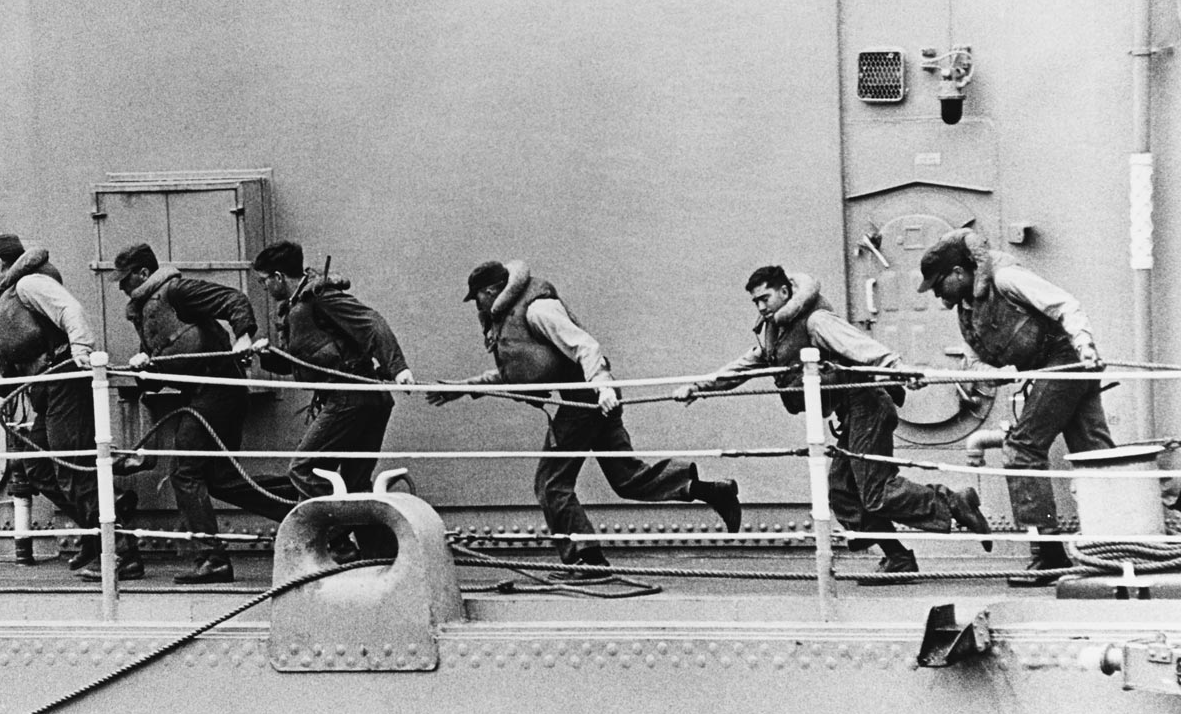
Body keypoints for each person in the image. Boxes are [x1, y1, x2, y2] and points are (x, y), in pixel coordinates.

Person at [674, 265, 992, 581]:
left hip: (868, 406)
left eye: (765, 298)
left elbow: (858, 345)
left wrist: (898, 367)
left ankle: (954, 502)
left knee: (877, 491)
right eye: (755, 301)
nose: (760, 307)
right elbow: (745, 366)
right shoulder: (775, 330)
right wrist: (699, 387)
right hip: (852, 414)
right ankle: (898, 558)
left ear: (785, 292)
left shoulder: (816, 320)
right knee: (842, 492)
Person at [428, 260, 741, 578]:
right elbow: (520, 372)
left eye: (477, 298)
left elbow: (584, 345)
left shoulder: (538, 310)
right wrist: (461, 388)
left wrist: (601, 383)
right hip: (591, 399)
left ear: (491, 291)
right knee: (627, 478)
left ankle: (586, 559)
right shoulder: (515, 314)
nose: (476, 306)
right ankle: (711, 490)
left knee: (551, 484)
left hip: (588, 399)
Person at [918, 229, 1111, 586]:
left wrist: (1084, 346)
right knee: (1094, 452)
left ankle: (1048, 555)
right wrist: (1000, 374)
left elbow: (1064, 304)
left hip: (1066, 361)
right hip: (1046, 371)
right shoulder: (966, 313)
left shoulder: (1006, 279)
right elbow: (973, 364)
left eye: (937, 284)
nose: (936, 294)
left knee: (1023, 448)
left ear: (959, 272)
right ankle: (1126, 538)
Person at [114, 243, 300, 583]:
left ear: (143, 272)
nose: (122, 287)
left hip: (219, 389)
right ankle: (308, 505)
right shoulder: (146, 310)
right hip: (206, 393)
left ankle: (212, 559)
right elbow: (166, 357)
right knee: (222, 481)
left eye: (125, 279)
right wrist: (144, 368)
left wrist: (243, 336)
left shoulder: (178, 290)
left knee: (185, 472)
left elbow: (234, 300)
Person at [0, 233, 143, 581]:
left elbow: (70, 310)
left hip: (66, 382)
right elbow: (28, 358)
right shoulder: (10, 292)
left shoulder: (30, 284)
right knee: (39, 469)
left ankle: (122, 552)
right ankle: (97, 533)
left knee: (72, 468)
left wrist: (82, 352)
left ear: (0, 263)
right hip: (47, 388)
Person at [248, 242, 414, 556]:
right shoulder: (300, 308)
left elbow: (371, 322)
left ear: (279, 277)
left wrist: (398, 368)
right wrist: (265, 356)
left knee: (304, 468)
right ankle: (378, 555)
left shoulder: (320, 297)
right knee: (355, 482)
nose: (264, 287)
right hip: (364, 398)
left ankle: (336, 538)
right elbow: (304, 361)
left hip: (350, 397)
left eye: (264, 280)